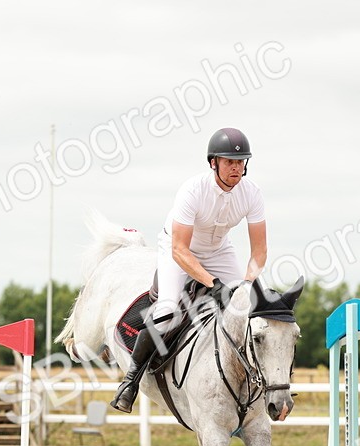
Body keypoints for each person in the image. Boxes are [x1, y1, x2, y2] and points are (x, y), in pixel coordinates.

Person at [111, 127, 268, 412]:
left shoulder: (252, 193)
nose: (236, 167)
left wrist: (246, 285)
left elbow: (259, 253)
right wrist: (213, 284)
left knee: (248, 307)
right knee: (168, 310)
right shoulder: (193, 190)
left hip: (219, 250)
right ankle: (130, 381)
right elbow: (180, 250)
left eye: (241, 161)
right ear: (213, 163)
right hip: (177, 250)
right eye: (229, 161)